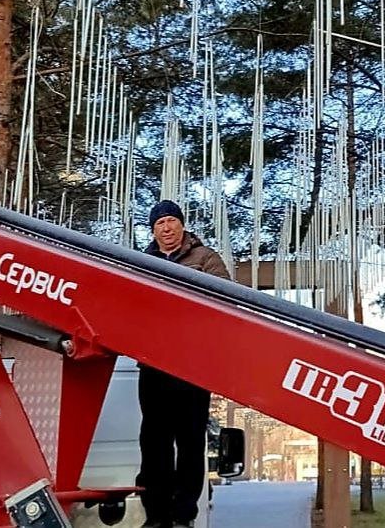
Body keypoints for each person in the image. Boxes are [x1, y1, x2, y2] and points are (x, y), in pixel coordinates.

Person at [137, 199, 230, 528]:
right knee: (153, 439)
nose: (166, 228)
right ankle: (156, 512)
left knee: (190, 439)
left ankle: (183, 513)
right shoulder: (140, 261)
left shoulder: (205, 258)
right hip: (153, 363)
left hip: (193, 363)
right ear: (153, 230)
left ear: (181, 225)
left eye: (171, 221)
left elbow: (225, 298)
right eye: (159, 223)